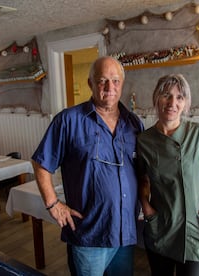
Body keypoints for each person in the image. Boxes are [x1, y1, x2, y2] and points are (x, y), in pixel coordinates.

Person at [31, 56, 144, 276]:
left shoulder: (133, 123)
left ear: (122, 83)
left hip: (124, 232)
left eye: (115, 80)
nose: (110, 87)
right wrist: (53, 204)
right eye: (102, 80)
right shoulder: (68, 120)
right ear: (90, 83)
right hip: (89, 234)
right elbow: (41, 163)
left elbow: (141, 171)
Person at [136, 74, 199, 276]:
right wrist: (146, 207)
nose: (173, 102)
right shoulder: (144, 140)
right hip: (160, 228)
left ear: (186, 103)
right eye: (166, 95)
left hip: (196, 230)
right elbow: (142, 178)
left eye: (180, 97)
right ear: (156, 98)